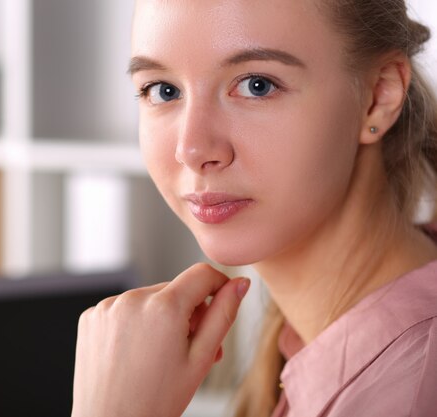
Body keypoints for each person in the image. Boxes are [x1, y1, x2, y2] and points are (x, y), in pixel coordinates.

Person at [71, 0, 437, 416]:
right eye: (163, 90)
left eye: (256, 84)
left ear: (378, 95)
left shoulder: (409, 396)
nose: (192, 149)